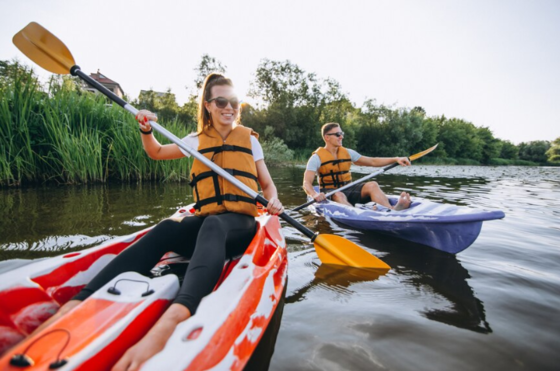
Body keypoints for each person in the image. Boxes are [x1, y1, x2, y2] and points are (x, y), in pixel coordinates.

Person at [32, 73, 284, 371]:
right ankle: (79, 302)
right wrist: (145, 129)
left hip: (240, 226)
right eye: (221, 101)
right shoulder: (194, 141)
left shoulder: (250, 141)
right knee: (167, 227)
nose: (228, 107)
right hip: (207, 221)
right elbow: (155, 152)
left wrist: (275, 199)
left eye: (233, 101)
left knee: (215, 226)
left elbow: (266, 185)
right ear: (208, 105)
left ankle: (176, 315)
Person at [303, 122, 412, 210]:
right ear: (327, 137)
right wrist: (314, 194)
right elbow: (306, 183)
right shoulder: (316, 158)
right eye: (337, 134)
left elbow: (372, 161)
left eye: (342, 134)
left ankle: (391, 210)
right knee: (338, 195)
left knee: (372, 185)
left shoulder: (348, 153)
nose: (341, 137)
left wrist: (396, 159)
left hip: (349, 188)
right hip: (331, 192)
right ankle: (359, 214)